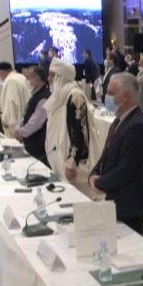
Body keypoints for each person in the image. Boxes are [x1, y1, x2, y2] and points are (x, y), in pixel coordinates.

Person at [89, 73, 143, 234]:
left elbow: (126, 169)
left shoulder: (137, 126)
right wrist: (94, 173)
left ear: (125, 96)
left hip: (128, 204)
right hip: (115, 199)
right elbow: (107, 153)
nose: (106, 96)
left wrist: (99, 182)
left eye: (111, 93)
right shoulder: (120, 120)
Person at [44, 59, 94, 193]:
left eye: (52, 75)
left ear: (61, 76)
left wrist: (72, 161)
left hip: (71, 162)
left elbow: (80, 131)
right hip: (59, 153)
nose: (49, 79)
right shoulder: (59, 95)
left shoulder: (75, 95)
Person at [15, 66, 52, 165]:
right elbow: (26, 114)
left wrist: (21, 132)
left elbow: (36, 122)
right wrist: (18, 128)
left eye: (28, 77)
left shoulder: (44, 97)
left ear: (37, 78)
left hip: (38, 145)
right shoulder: (35, 94)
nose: (27, 81)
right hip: (30, 142)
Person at [0, 62, 31, 137]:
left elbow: (11, 102)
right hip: (25, 117)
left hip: (15, 123)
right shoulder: (21, 76)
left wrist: (6, 120)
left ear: (2, 71)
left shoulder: (10, 81)